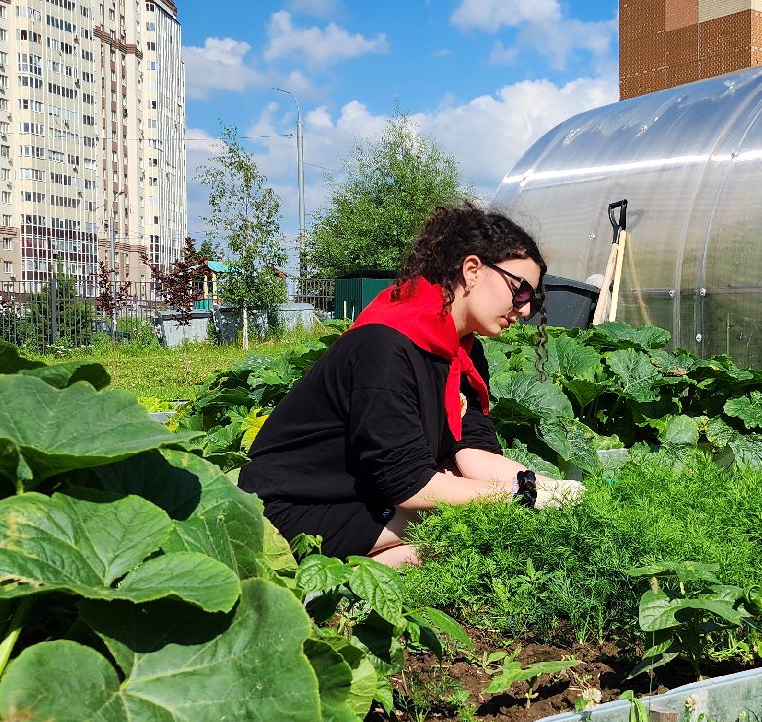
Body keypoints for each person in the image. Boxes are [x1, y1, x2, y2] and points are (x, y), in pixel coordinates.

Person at [238, 202, 579, 567]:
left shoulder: (464, 352)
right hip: (287, 512)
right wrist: (520, 497)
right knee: (456, 536)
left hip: (367, 497)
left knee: (468, 525)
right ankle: (327, 587)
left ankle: (356, 578)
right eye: (520, 290)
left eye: (532, 300)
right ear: (472, 270)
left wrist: (554, 489)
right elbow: (410, 485)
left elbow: (473, 453)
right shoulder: (385, 346)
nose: (525, 310)